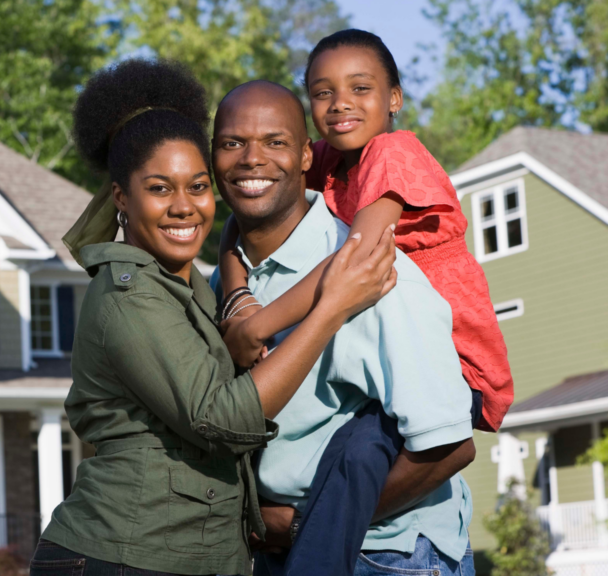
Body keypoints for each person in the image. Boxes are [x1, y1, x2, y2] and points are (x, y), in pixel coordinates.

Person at [29, 59, 398, 576]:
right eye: (159, 189)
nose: (184, 207)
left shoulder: (192, 286)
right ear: (121, 197)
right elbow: (222, 420)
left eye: (197, 187)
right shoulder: (129, 296)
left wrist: (241, 300)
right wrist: (331, 307)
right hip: (121, 555)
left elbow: (229, 234)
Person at [211, 79, 478, 576]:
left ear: (308, 157)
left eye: (275, 142)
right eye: (232, 143)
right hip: (273, 552)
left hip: (388, 554)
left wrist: (303, 525)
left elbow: (449, 446)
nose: (252, 158)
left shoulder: (374, 274)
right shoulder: (223, 286)